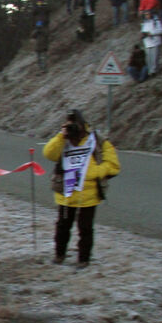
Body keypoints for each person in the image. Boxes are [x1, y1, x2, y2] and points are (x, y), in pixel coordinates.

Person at [42, 109, 120, 268]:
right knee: (63, 226)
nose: (73, 129)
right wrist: (61, 136)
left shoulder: (96, 140)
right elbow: (49, 154)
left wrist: (95, 172)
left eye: (75, 125)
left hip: (90, 193)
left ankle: (84, 259)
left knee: (85, 228)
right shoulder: (63, 139)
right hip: (66, 191)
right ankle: (59, 255)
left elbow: (113, 165)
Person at [141, 10, 162, 76]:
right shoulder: (144, 23)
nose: (147, 16)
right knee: (148, 59)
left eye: (148, 14)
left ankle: (155, 71)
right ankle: (150, 71)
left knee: (155, 58)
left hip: (155, 42)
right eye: (146, 14)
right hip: (147, 43)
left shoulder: (156, 21)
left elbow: (161, 31)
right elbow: (143, 31)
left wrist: (152, 33)